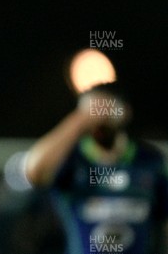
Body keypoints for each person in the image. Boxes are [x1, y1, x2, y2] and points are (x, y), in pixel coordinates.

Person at [25, 82, 168, 254]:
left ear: (125, 112)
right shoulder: (73, 161)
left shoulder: (150, 161)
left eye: (106, 107)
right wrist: (79, 120)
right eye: (92, 110)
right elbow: (34, 172)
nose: (100, 115)